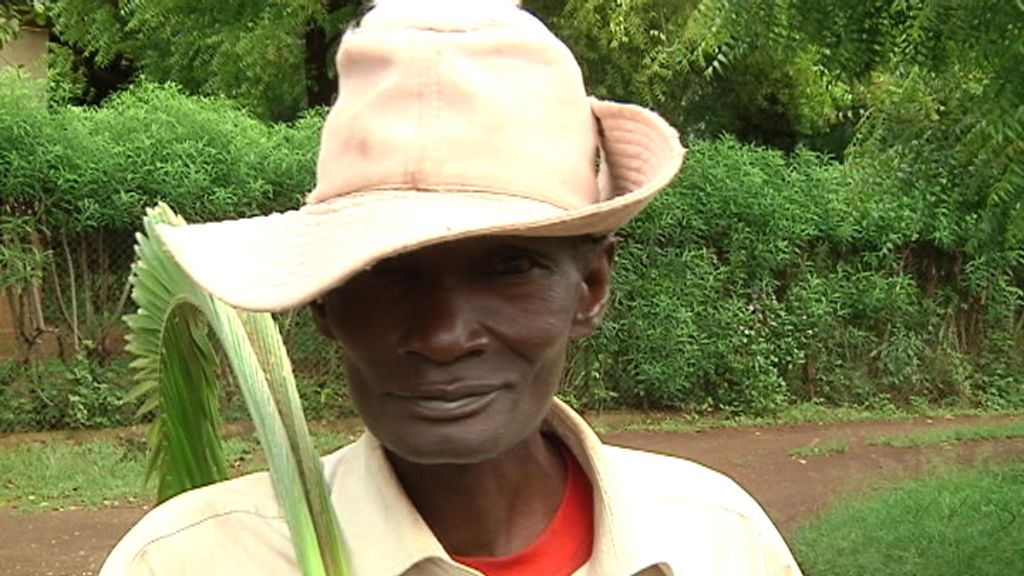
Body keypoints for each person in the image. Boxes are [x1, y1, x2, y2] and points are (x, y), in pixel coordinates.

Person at [100, 0, 803, 574]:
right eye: (383, 273)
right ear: (325, 303)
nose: (442, 337)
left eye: (508, 268)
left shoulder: (719, 543)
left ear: (589, 288)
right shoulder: (192, 560)